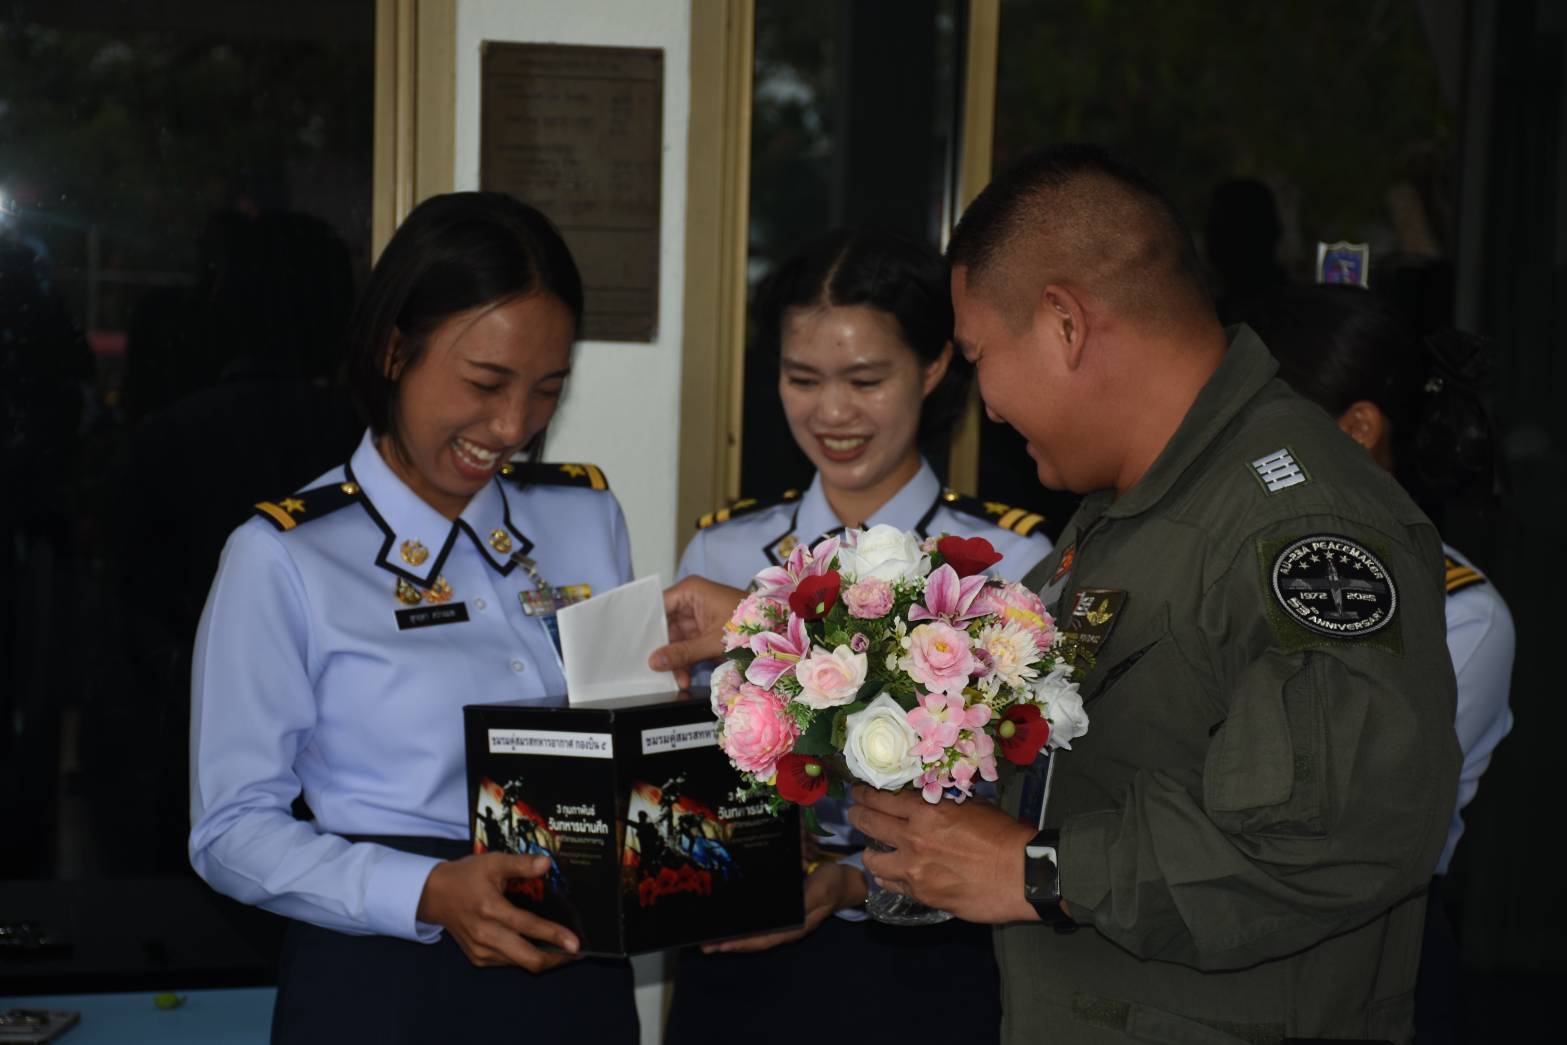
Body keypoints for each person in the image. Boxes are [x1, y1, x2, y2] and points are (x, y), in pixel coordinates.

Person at [652, 145, 1459, 1044]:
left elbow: (1335, 837)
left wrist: (1040, 871)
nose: (989, 406)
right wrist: (779, 628)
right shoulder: (1133, 508)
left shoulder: (1298, 523)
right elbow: (1009, 716)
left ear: (1064, 324)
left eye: (979, 357)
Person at [188, 192, 639, 1042]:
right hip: (385, 976)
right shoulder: (287, 556)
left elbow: (625, 735)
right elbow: (230, 831)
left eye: (546, 390)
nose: (512, 425)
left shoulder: (584, 517)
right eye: (485, 383)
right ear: (394, 350)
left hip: (575, 969)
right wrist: (425, 892)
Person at [665, 229, 1051, 1044]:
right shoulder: (723, 553)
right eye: (801, 378)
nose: (831, 413)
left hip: (933, 956)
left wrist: (848, 878)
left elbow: (1023, 792)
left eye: (865, 380)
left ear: (935, 365)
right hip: (745, 953)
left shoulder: (1005, 562)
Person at [1239, 284, 1514, 1043]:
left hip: (1366, 963)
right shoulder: (1226, 558)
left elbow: (1325, 824)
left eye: (1255, 418)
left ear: (1356, 428)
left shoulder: (1461, 612)